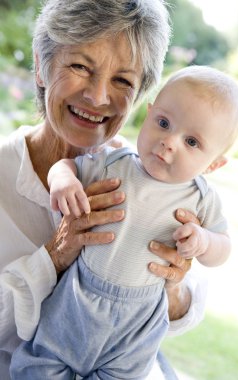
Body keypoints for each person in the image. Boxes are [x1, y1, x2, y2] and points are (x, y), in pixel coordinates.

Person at [0, 1, 207, 379]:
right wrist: (55, 256)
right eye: (80, 66)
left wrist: (170, 286)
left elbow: (186, 312)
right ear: (41, 65)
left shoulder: (145, 172)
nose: (98, 97)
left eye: (123, 81)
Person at [10, 65, 238, 379]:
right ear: (148, 114)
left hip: (138, 319)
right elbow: (67, 165)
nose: (169, 142)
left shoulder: (200, 198)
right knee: (41, 365)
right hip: (79, 298)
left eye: (191, 142)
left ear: (214, 164)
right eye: (163, 123)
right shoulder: (115, 163)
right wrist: (64, 180)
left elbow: (224, 247)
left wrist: (204, 241)